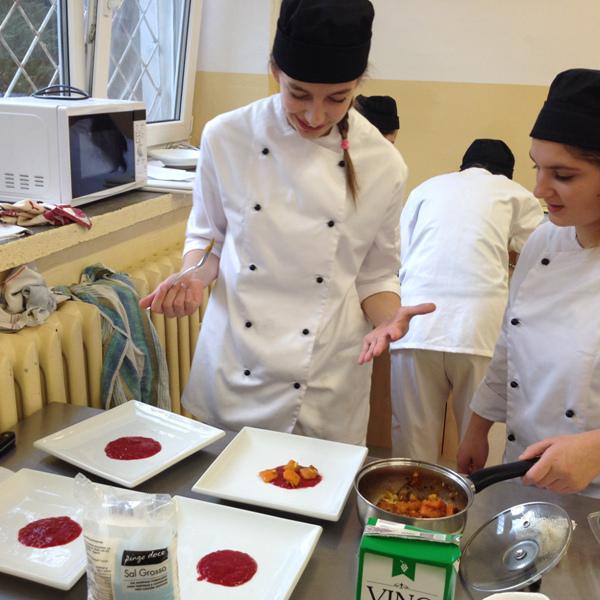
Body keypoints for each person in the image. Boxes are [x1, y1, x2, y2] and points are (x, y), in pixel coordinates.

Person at [140, 0, 434, 445]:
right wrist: (193, 277)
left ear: (358, 85)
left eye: (337, 98)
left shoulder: (383, 163)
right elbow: (208, 238)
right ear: (275, 71)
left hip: (324, 378)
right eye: (298, 94)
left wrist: (388, 321)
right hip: (236, 369)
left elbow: (375, 276)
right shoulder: (226, 137)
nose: (315, 116)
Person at [458, 68, 600, 497]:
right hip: (522, 470)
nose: (539, 189)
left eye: (563, 175)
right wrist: (477, 427)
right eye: (538, 167)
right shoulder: (543, 240)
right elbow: (509, 340)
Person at [389, 139, 544, 463]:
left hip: (415, 325)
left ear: (462, 167)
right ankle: (480, 496)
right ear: (506, 173)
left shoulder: (426, 188)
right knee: (479, 439)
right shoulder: (515, 193)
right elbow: (540, 252)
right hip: (479, 327)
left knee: (413, 439)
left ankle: (411, 495)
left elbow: (399, 253)